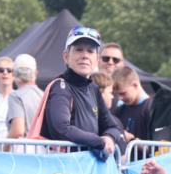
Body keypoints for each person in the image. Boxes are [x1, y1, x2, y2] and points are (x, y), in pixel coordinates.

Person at [42, 26, 124, 157]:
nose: (85, 55)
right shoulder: (61, 87)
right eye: (79, 50)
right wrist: (99, 142)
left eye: (90, 51)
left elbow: (114, 127)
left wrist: (109, 137)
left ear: (96, 60)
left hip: (89, 169)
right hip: (65, 169)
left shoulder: (94, 89)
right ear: (66, 56)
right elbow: (61, 129)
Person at [7, 53, 43, 140]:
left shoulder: (16, 96)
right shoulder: (44, 95)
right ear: (35, 73)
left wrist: (4, 150)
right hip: (46, 151)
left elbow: (17, 131)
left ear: (14, 74)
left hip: (25, 150)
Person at [111, 66, 152, 142]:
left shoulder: (152, 109)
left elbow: (155, 147)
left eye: (123, 93)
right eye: (117, 94)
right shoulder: (119, 110)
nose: (120, 98)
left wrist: (131, 140)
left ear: (135, 85)